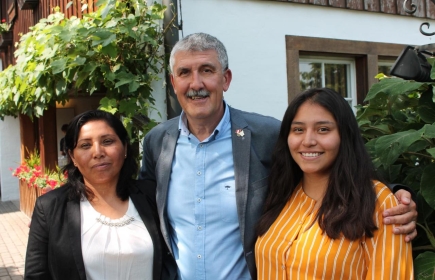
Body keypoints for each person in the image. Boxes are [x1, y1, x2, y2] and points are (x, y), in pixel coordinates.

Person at [139, 33, 417, 280]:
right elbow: (143, 205)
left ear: (225, 79)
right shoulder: (157, 143)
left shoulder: (267, 134)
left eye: (207, 70)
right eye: (185, 72)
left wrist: (393, 195)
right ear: (173, 82)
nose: (195, 83)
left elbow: (322, 163)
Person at [255, 88, 413, 279]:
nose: (308, 141)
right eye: (298, 130)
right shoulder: (281, 194)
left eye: (323, 129)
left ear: (344, 136)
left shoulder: (377, 202)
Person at [25, 110, 177, 280]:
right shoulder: (50, 208)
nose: (98, 152)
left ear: (125, 148)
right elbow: (35, 275)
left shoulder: (152, 197)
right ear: (72, 156)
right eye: (85, 145)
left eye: (107, 141)